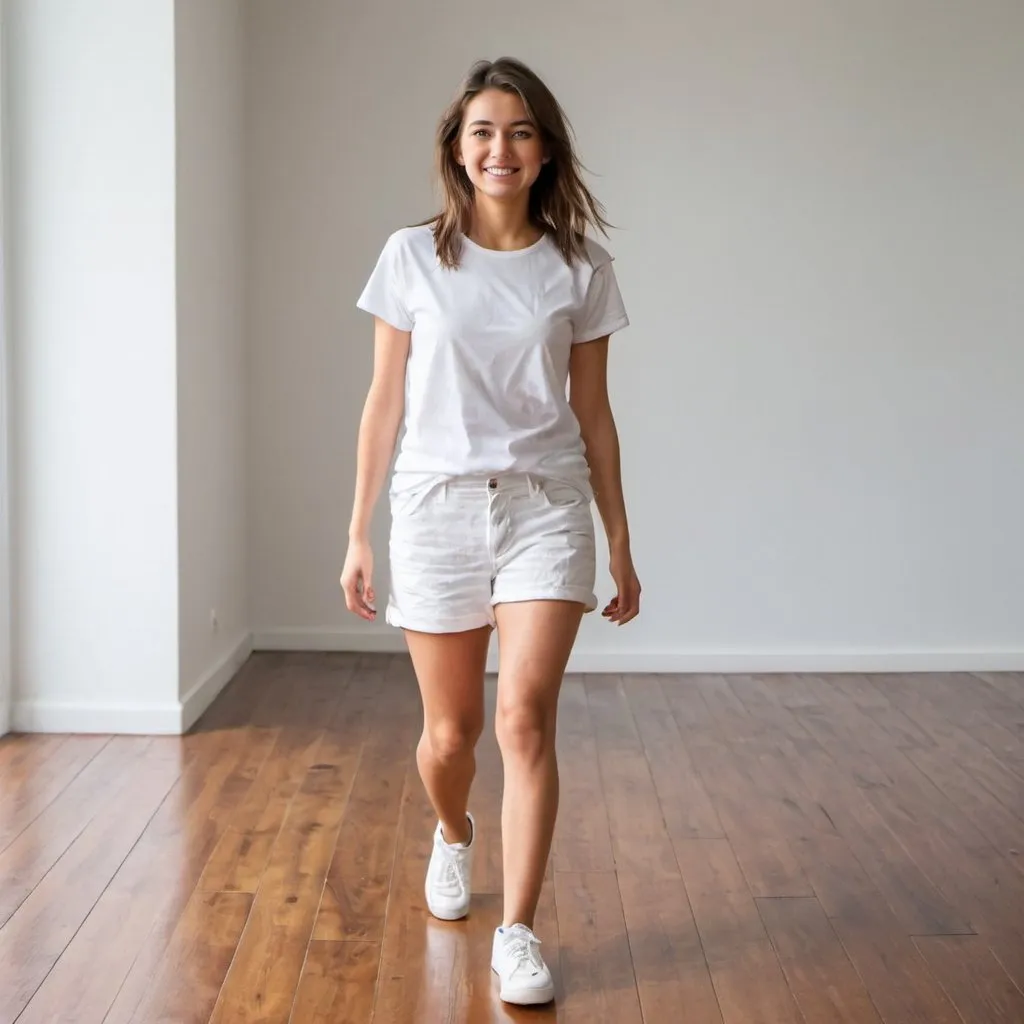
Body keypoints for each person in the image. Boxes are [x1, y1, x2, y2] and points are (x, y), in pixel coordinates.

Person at [340, 56, 641, 1007]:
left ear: (544, 150)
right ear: (457, 149)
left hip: (545, 508)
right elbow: (383, 403)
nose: (499, 148)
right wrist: (357, 532)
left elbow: (593, 414)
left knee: (524, 719)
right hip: (433, 510)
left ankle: (517, 929)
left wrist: (620, 538)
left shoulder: (581, 266)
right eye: (482, 131)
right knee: (450, 734)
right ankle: (454, 832)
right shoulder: (411, 256)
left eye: (518, 131)